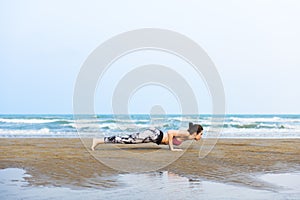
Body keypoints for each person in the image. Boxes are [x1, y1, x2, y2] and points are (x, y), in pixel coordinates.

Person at [91, 122, 203, 151]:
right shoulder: (187, 134)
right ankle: (99, 140)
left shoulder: (189, 136)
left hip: (154, 136)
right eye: (201, 134)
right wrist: (172, 148)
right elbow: (170, 133)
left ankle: (100, 140)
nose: (201, 136)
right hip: (154, 135)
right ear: (196, 133)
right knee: (128, 139)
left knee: (128, 139)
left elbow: (190, 125)